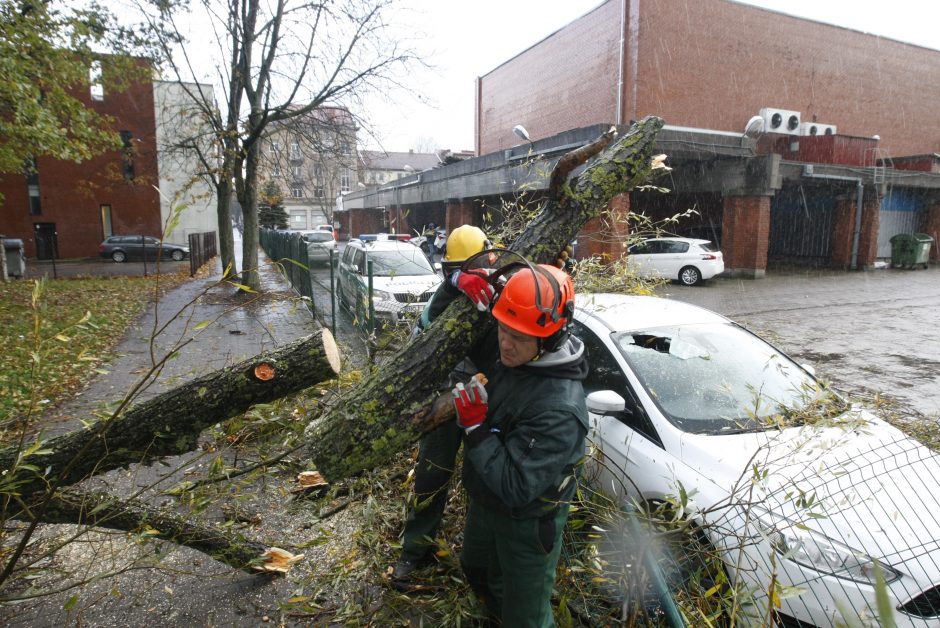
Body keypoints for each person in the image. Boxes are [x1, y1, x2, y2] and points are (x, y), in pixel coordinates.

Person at [453, 263, 588, 627]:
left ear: (550, 337)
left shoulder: (559, 409)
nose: (505, 344)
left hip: (527, 521)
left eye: (519, 337)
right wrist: (454, 282)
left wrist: (477, 429)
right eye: (502, 329)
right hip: (486, 501)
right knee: (476, 568)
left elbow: (515, 486)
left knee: (525, 617)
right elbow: (446, 327)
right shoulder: (517, 349)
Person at [391, 225, 497, 586]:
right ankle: (414, 551)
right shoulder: (447, 297)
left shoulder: (502, 288)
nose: (472, 275)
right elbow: (425, 326)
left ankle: (481, 562)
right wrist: (454, 284)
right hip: (445, 397)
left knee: (486, 477)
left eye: (476, 267)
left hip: (488, 399)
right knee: (431, 474)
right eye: (457, 270)